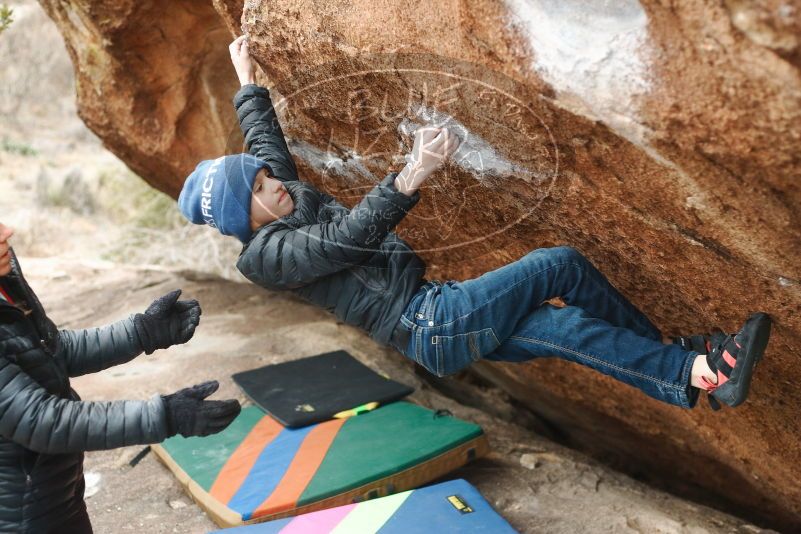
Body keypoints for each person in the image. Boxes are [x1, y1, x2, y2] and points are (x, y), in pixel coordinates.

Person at [178, 35, 771, 413]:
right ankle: (697, 369)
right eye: (258, 187)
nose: (272, 182)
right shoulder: (269, 258)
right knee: (550, 264)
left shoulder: (278, 199)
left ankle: (683, 371)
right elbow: (345, 239)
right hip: (428, 322)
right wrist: (412, 173)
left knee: (566, 324)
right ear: (244, 217)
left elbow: (265, 143)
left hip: (437, 311)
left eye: (264, 176)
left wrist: (246, 77)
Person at [0, 223, 241, 533]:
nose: (7, 231)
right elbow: (39, 419)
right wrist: (165, 415)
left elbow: (50, 350)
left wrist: (140, 332)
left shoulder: (5, 277)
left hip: (52, 491)